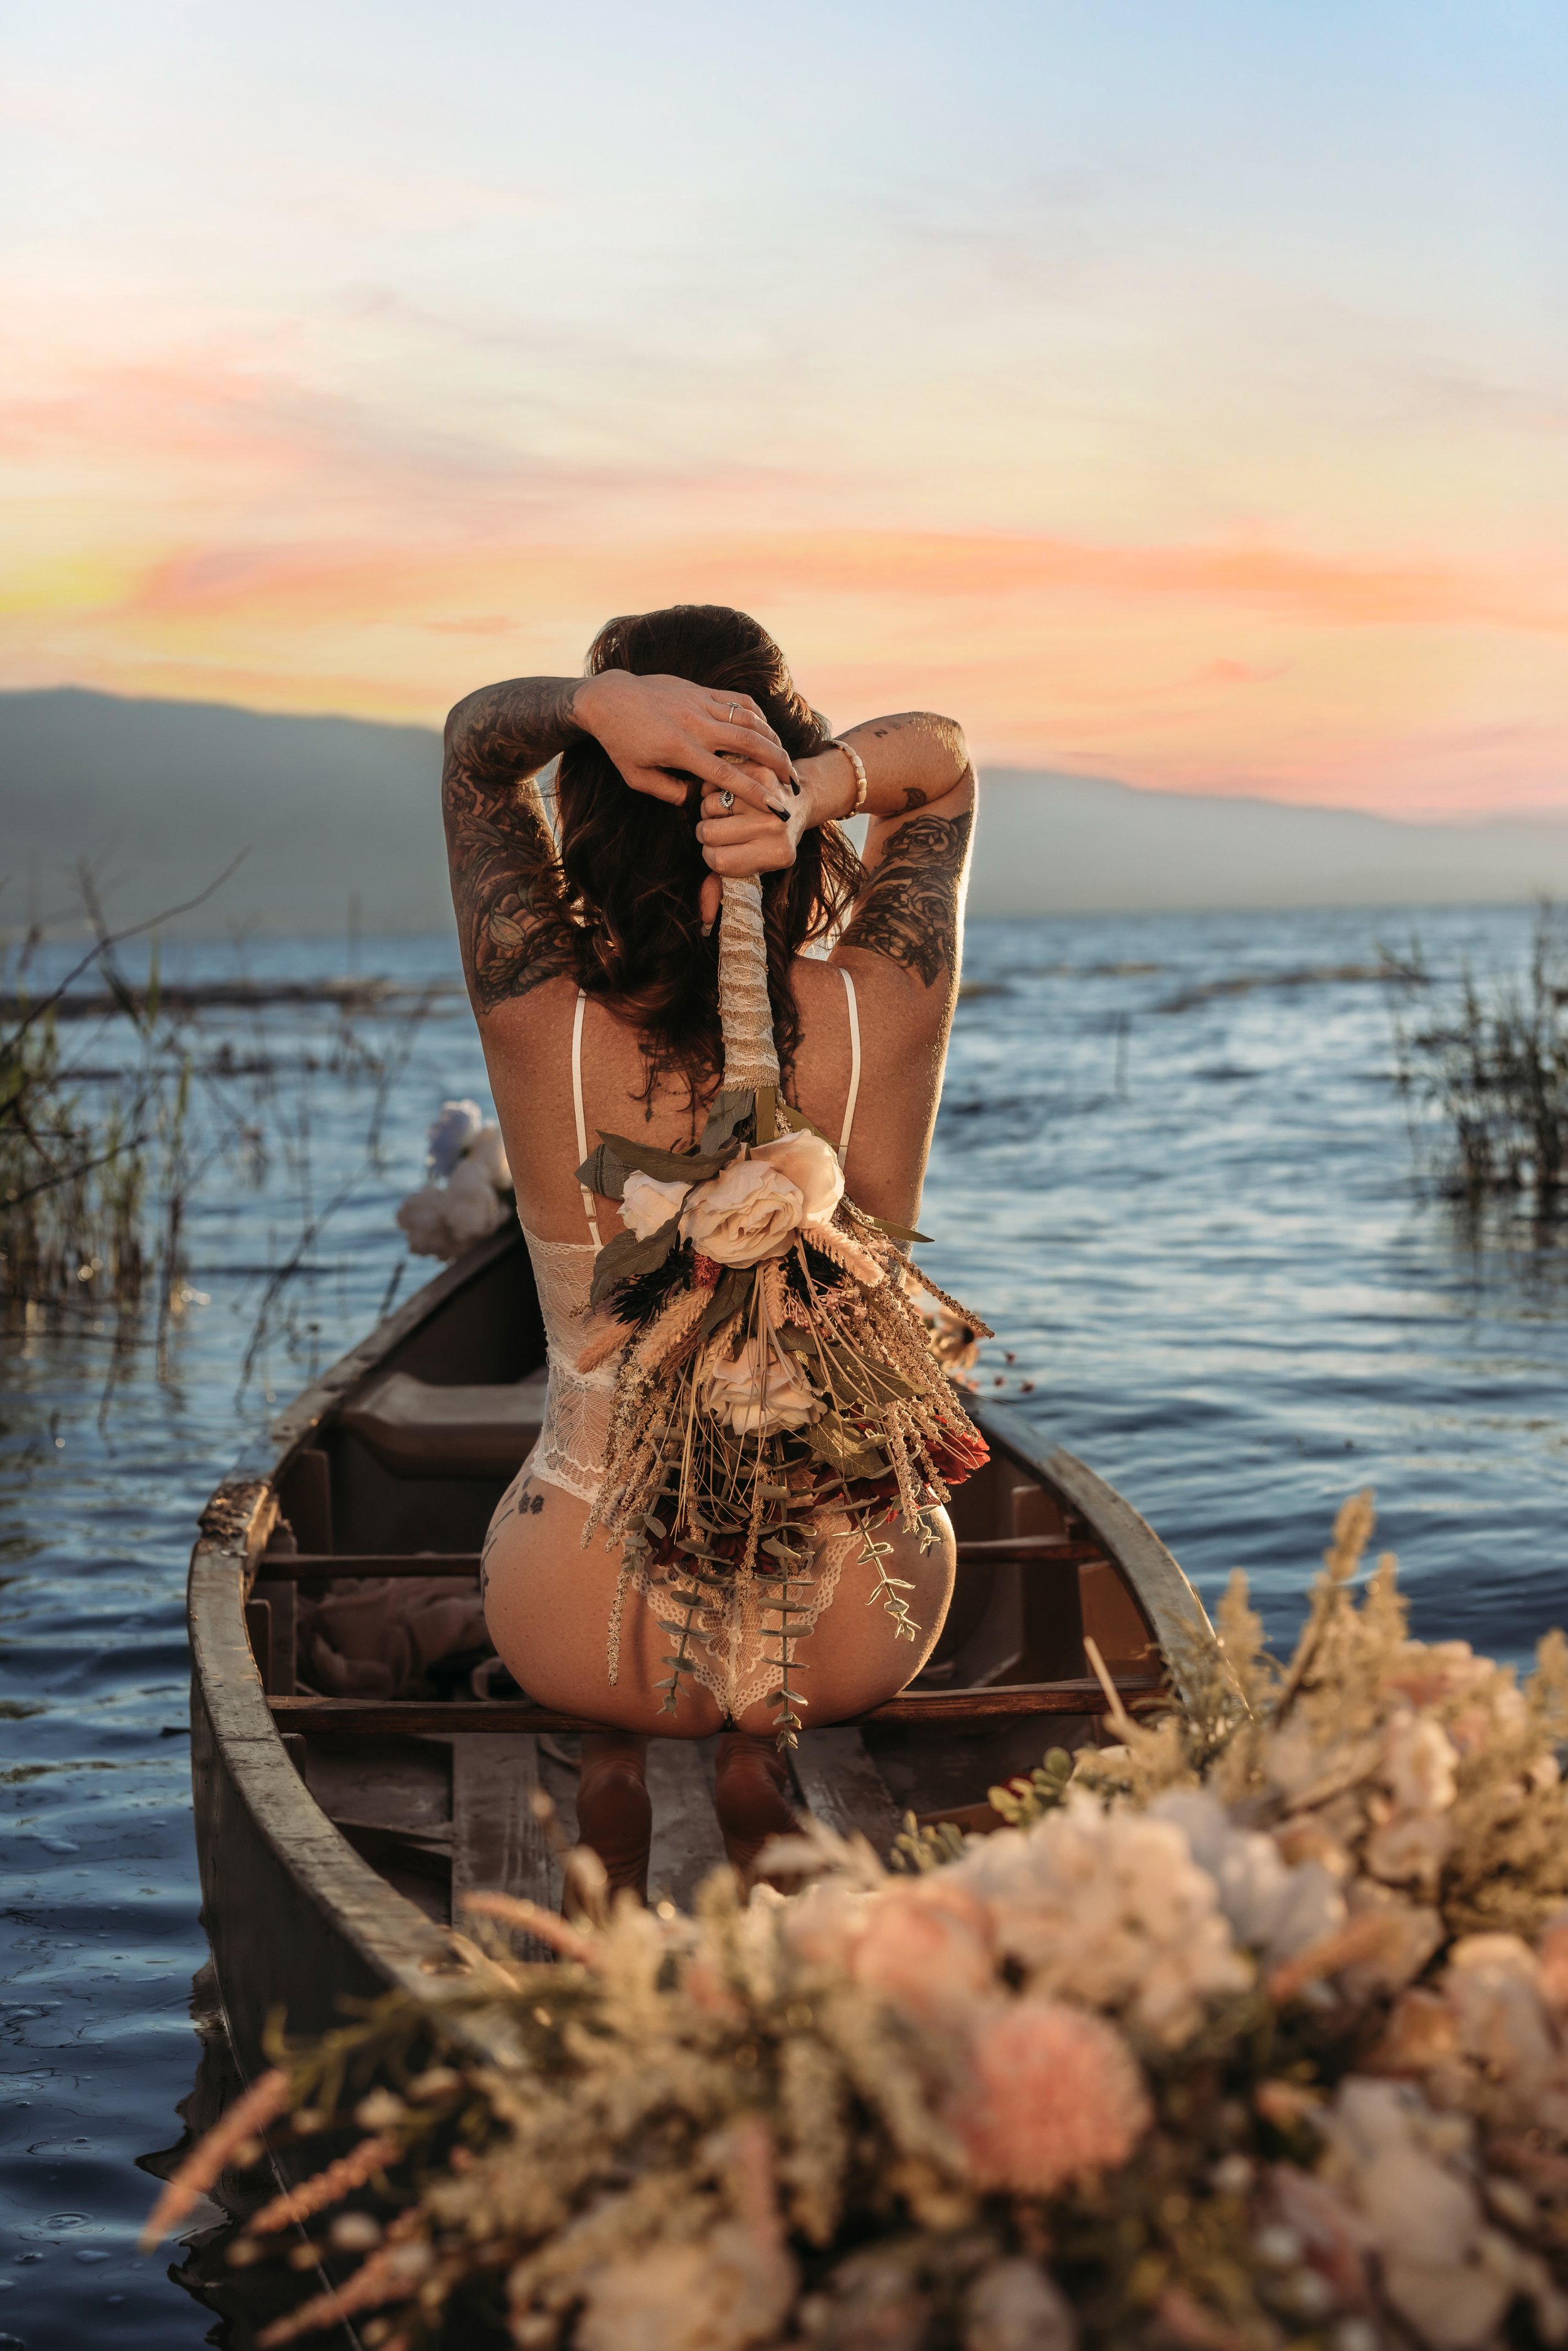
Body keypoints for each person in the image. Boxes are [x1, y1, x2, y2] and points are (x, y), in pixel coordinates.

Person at [442, 603, 976, 1897]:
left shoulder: (543, 1031)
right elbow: (944, 766)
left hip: (585, 1619)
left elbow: (471, 751)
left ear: (592, 810)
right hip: (852, 1627)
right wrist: (817, 789)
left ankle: (619, 1759)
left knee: (566, 1505)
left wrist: (589, 708)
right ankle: (758, 1769)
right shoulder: (882, 1005)